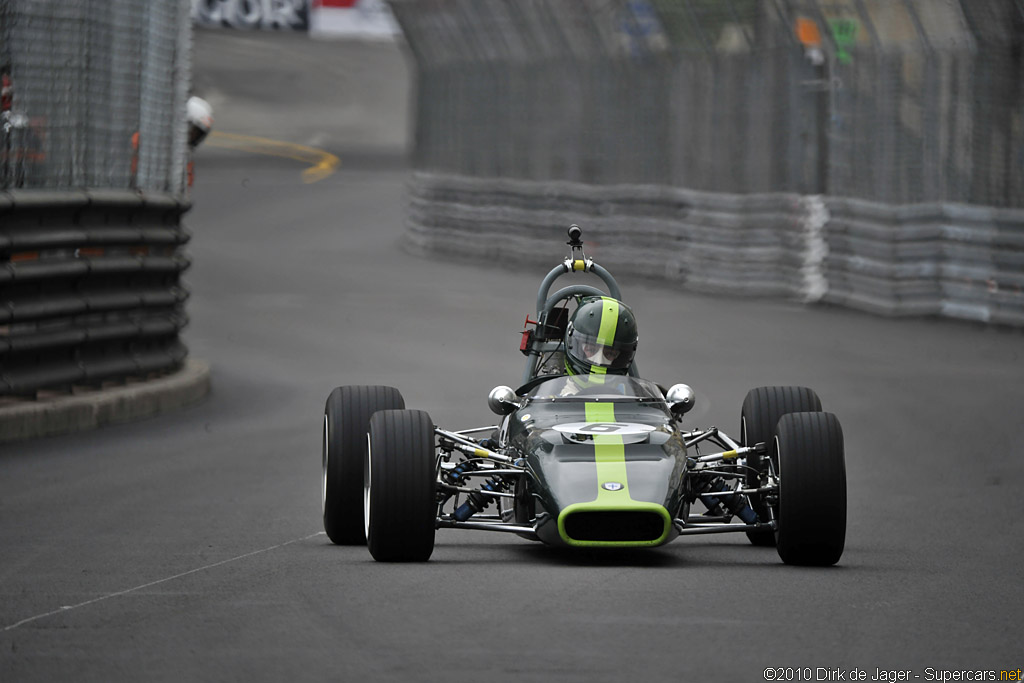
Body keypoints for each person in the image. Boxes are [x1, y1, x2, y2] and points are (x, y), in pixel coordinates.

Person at [563, 296, 638, 376]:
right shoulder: (553, 386)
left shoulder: (627, 388)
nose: (598, 361)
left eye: (610, 353)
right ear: (573, 343)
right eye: (591, 350)